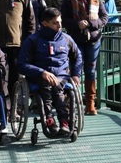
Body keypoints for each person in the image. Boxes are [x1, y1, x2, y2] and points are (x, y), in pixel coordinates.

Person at [19, 8, 83, 136]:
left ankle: (64, 121)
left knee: (56, 85)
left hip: (61, 75)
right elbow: (22, 64)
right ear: (44, 23)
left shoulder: (66, 39)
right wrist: (41, 72)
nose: (59, 26)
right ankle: (50, 119)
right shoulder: (33, 40)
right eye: (55, 23)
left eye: (60, 22)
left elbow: (78, 56)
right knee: (47, 84)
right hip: (40, 75)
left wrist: (76, 74)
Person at [60, 0, 108, 115]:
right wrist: (77, 24)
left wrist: (91, 24)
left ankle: (90, 104)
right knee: (75, 70)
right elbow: (63, 19)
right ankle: (71, 101)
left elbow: (104, 18)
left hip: (93, 39)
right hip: (75, 40)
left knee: (90, 71)